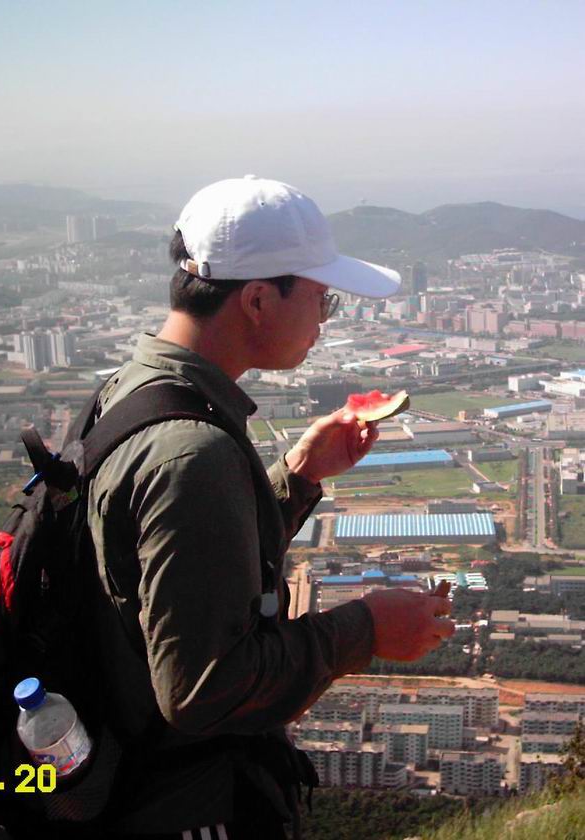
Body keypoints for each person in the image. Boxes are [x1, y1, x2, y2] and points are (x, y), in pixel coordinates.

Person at [87, 176, 455, 839]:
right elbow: (204, 690)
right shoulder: (191, 453)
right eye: (320, 298)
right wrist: (366, 628)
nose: (325, 318)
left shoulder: (131, 390)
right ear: (258, 299)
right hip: (182, 806)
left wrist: (298, 478)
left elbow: (192, 573)